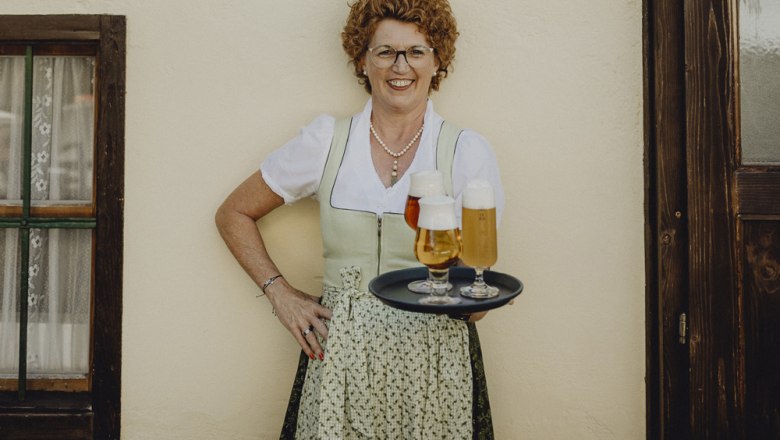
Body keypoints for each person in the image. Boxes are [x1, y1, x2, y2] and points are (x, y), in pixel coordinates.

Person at [215, 0, 505, 438]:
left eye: (416, 51)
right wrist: (281, 294)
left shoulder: (467, 150)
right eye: (385, 51)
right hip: (341, 354)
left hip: (435, 357)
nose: (400, 66)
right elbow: (233, 213)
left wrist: (477, 301)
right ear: (362, 59)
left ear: (437, 60)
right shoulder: (326, 141)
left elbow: (474, 281)